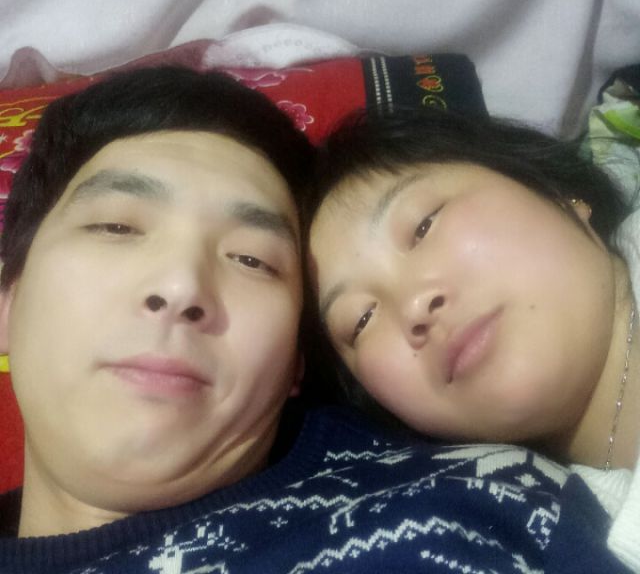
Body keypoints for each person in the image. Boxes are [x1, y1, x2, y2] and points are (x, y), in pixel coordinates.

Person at [0, 68, 628, 574]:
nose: (181, 285)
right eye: (115, 226)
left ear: (294, 368)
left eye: (251, 259)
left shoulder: (460, 502)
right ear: (8, 300)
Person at [306, 106, 640, 572]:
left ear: (559, 194)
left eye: (424, 225)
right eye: (361, 320)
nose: (414, 305)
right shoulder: (558, 542)